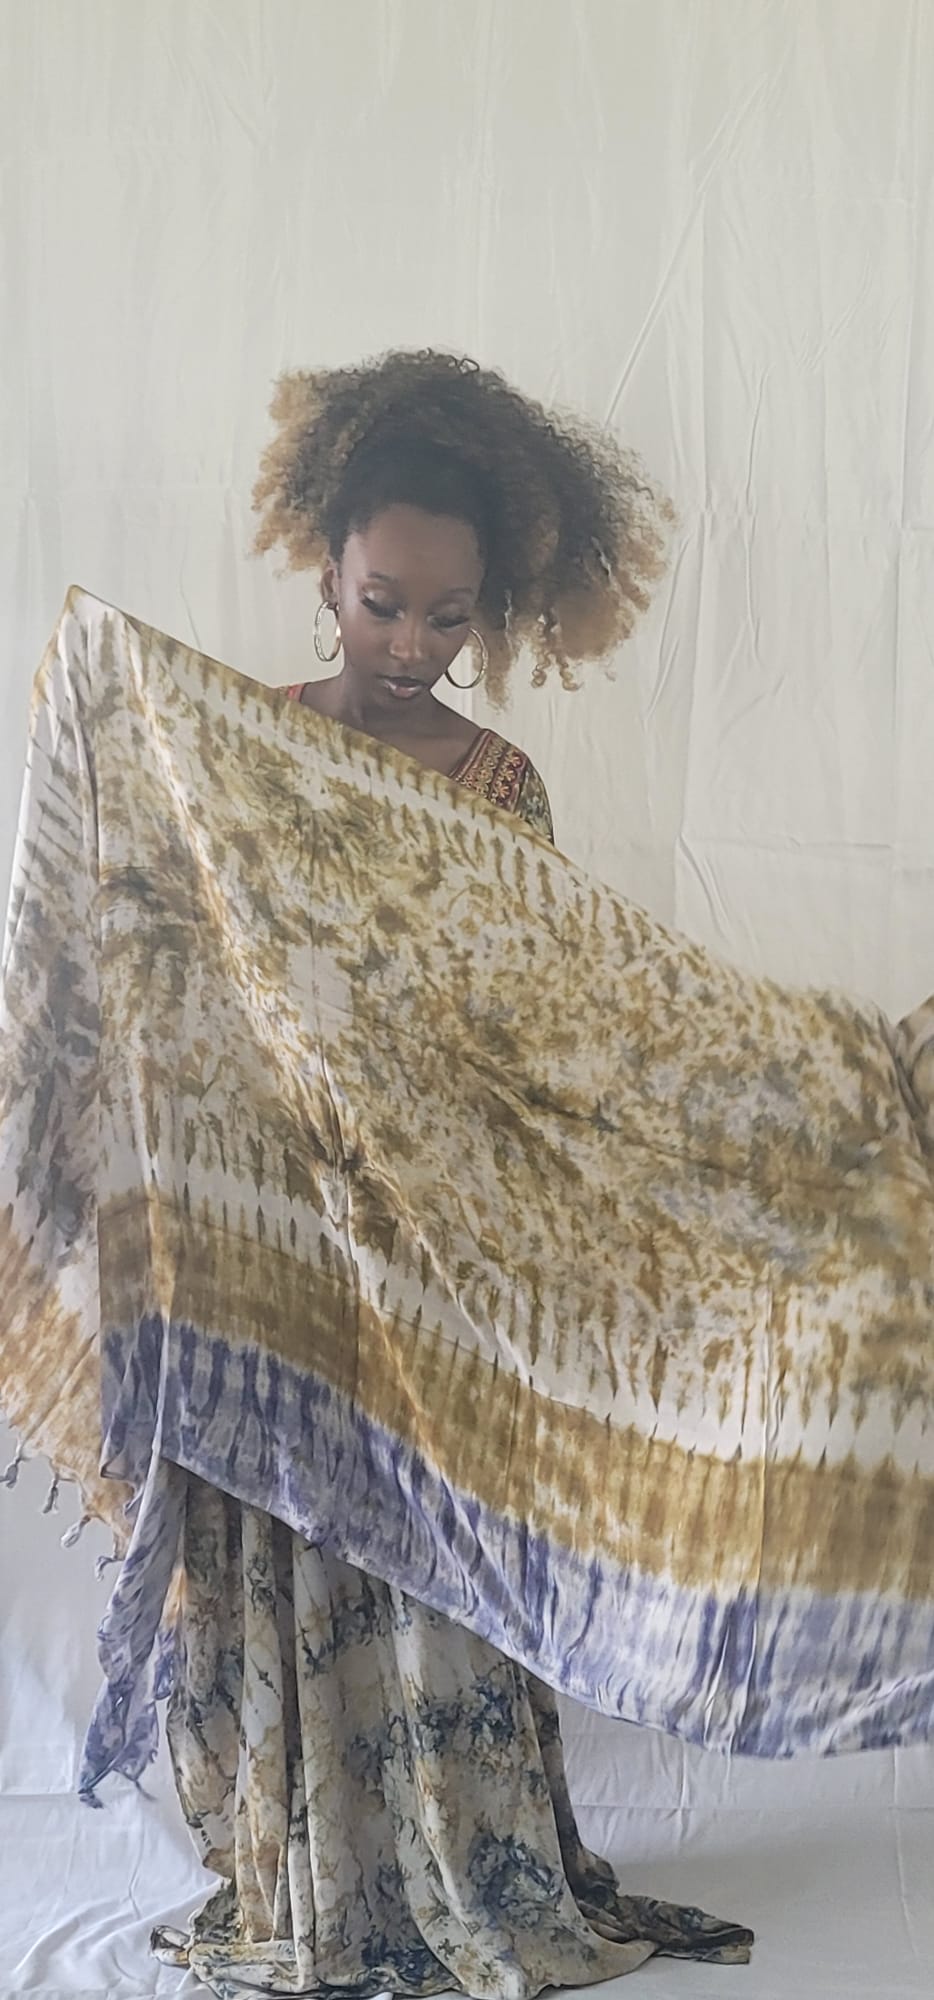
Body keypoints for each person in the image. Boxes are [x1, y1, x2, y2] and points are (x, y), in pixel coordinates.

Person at [151, 352, 752, 1996]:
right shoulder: (240, 743)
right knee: (286, 1534)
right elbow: (179, 966)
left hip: (429, 1242)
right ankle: (319, 1866)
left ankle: (454, 1852)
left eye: (447, 618)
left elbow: (528, 1017)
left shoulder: (499, 786)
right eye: (382, 605)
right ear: (324, 570)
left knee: (433, 1545)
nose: (411, 645)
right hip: (272, 1224)